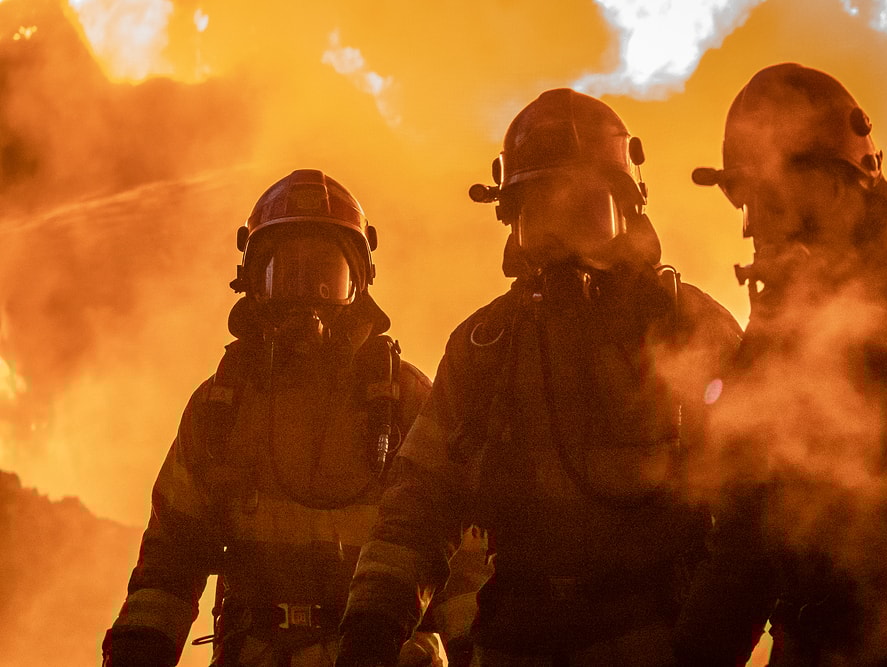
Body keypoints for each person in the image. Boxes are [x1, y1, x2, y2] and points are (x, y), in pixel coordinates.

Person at [334, 88, 743, 667]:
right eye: (540, 218)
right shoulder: (485, 348)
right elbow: (418, 503)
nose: (562, 243)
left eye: (584, 215)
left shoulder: (691, 330)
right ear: (512, 223)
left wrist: (708, 642)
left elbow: (757, 513)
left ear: (628, 214)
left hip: (655, 642)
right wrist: (372, 627)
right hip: (516, 642)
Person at [673, 63, 887, 666]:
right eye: (746, 206)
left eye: (771, 200)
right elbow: (746, 550)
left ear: (843, 186)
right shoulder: (775, 344)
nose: (755, 231)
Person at [101, 169, 451, 667]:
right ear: (253, 284)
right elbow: (170, 562)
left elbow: (455, 561)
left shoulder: (404, 402)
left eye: (326, 277)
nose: (307, 299)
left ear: (359, 283)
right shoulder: (221, 406)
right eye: (287, 275)